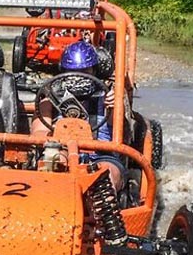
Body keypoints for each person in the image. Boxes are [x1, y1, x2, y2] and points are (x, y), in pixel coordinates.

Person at [32, 40, 124, 191]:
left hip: (101, 155)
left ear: (94, 71)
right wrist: (57, 131)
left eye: (85, 72)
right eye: (72, 72)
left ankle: (103, 209)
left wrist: (115, 107)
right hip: (62, 150)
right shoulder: (50, 100)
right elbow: (38, 134)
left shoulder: (109, 97)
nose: (77, 78)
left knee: (106, 174)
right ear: (63, 72)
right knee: (53, 162)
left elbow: (121, 131)